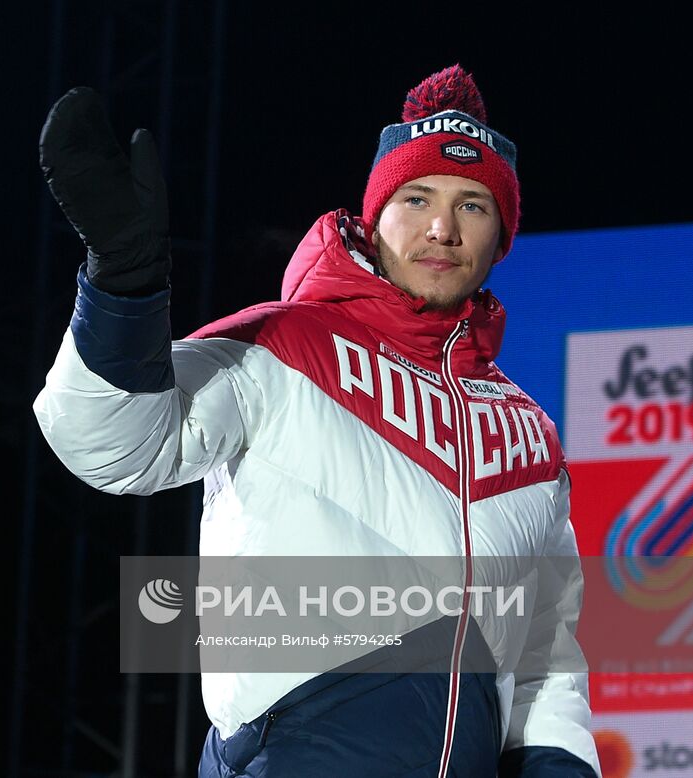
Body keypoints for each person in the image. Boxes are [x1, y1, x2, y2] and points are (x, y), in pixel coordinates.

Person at [33, 66, 599, 776]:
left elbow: (546, 652)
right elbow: (113, 443)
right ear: (375, 213)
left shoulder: (529, 434)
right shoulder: (281, 344)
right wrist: (123, 283)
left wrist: (558, 765)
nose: (441, 228)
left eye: (474, 205)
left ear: (502, 236)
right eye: (417, 196)